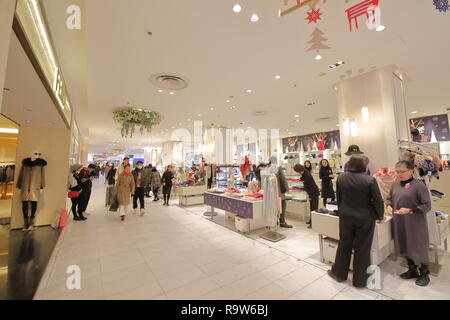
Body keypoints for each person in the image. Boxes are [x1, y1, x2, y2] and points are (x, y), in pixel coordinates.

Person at [327, 155, 384, 288]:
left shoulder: (341, 177)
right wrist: (380, 216)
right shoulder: (370, 180)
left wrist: (342, 212)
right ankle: (360, 281)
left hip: (346, 216)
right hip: (365, 218)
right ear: (364, 166)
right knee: (362, 248)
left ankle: (339, 274)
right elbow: (378, 201)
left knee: (344, 245)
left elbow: (339, 198)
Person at [386, 160, 432, 287]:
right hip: (399, 222)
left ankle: (424, 273)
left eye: (402, 172)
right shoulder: (395, 184)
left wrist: (411, 210)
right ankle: (412, 269)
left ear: (411, 171)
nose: (399, 174)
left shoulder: (419, 185)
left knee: (419, 245)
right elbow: (389, 198)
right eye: (397, 171)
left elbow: (427, 205)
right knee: (404, 243)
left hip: (415, 222)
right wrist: (389, 206)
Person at [293, 164, 320, 228]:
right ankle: (311, 221)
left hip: (313, 193)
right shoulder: (304, 173)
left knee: (314, 208)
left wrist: (310, 195)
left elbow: (311, 186)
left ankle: (314, 223)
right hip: (312, 192)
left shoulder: (306, 174)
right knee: (311, 208)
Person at [270, 156, 293, 229]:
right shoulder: (278, 168)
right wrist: (287, 189)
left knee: (274, 207)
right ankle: (282, 222)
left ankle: (275, 221)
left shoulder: (267, 169)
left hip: (271, 193)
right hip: (279, 192)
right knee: (282, 206)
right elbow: (283, 179)